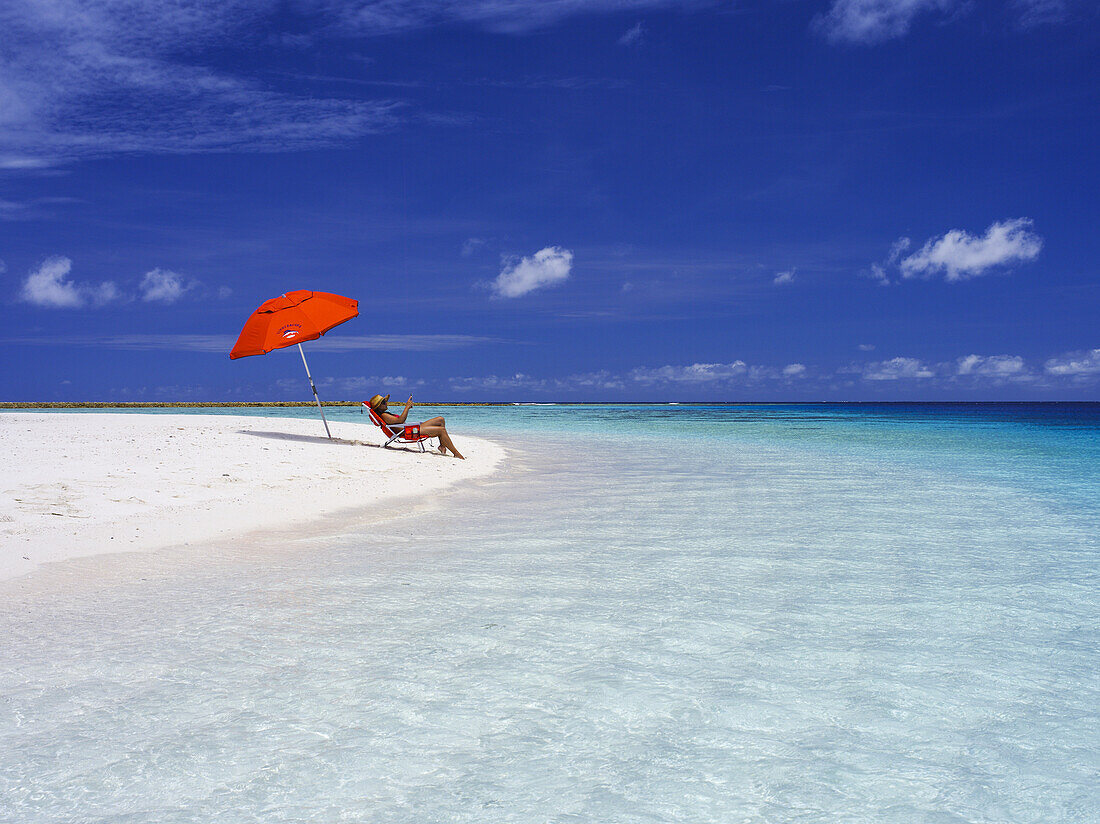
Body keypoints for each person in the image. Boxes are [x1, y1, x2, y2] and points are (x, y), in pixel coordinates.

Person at [368, 394, 465, 460]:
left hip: (410, 428)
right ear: (379, 407)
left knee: (440, 419)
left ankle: (442, 446)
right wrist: (407, 407)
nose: (386, 403)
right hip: (408, 432)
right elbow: (400, 421)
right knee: (441, 430)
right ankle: (456, 453)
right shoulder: (384, 415)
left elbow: (400, 422)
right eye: (384, 402)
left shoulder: (385, 414)